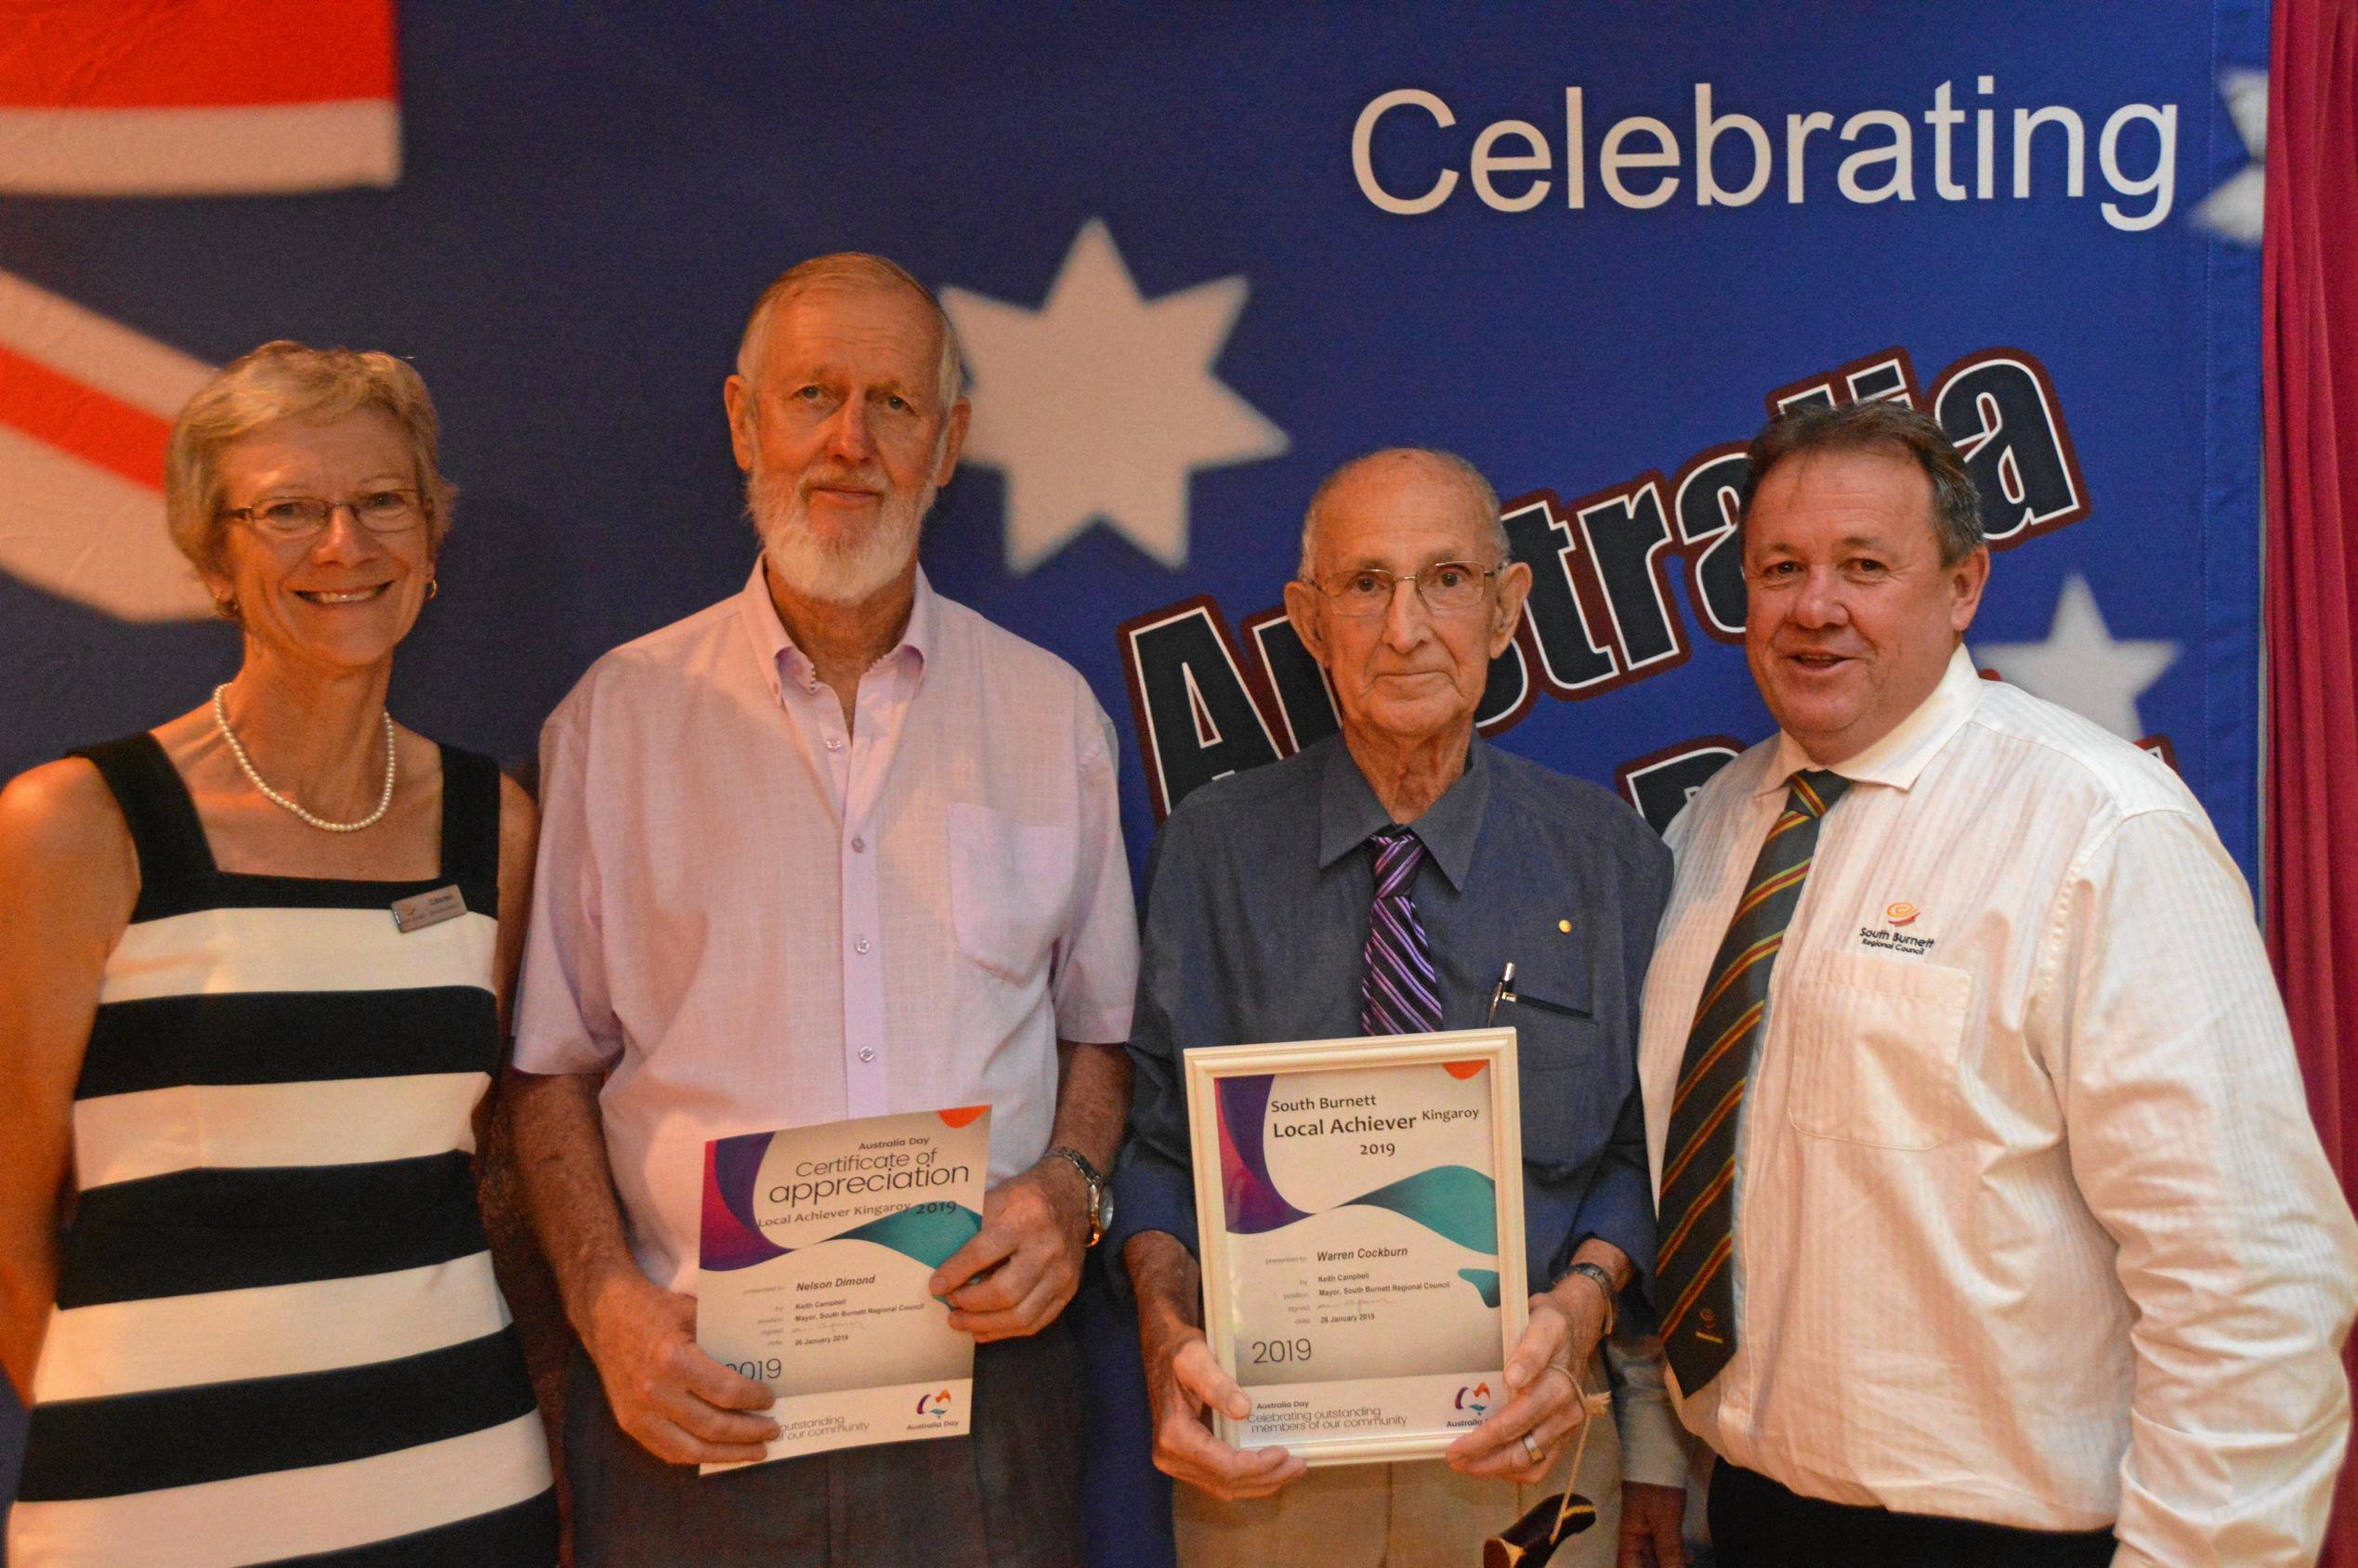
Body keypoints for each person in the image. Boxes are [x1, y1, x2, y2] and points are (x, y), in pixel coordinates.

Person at [1639, 399, 2358, 1567]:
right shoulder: (1712, 830)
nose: (1816, 606)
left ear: (1964, 585)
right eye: (1782, 568)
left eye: (1865, 565)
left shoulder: (2101, 829)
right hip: (1758, 1513)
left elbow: (2252, 1279)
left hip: (2012, 1539)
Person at [505, 252, 1139, 1567]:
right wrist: (603, 1303)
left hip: (984, 1391)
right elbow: (550, 1069)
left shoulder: (1048, 716)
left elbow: (1099, 1034)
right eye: (813, 396)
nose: (850, 442)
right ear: (746, 421)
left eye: (893, 405)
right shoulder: (614, 723)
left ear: (948, 443)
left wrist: (1070, 1192)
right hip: (696, 1394)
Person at [0, 343, 557, 1564]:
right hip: (159, 1509)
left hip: (457, 1488)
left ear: (430, 531)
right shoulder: (81, 826)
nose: (341, 547)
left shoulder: (495, 827)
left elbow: (489, 1160)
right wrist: (125, 1457)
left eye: (379, 503)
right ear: (213, 555)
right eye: (287, 511)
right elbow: (8, 1216)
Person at [1115, 448, 1691, 1568]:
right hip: (1266, 1466)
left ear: (1509, 606)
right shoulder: (1213, 852)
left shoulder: (1608, 857)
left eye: (1447, 579)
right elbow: (1154, 1146)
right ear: (1309, 618)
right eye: (1366, 584)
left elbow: (1640, 1146)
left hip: (1531, 1454)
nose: (1405, 627)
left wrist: (1582, 1305)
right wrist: (1163, 1333)